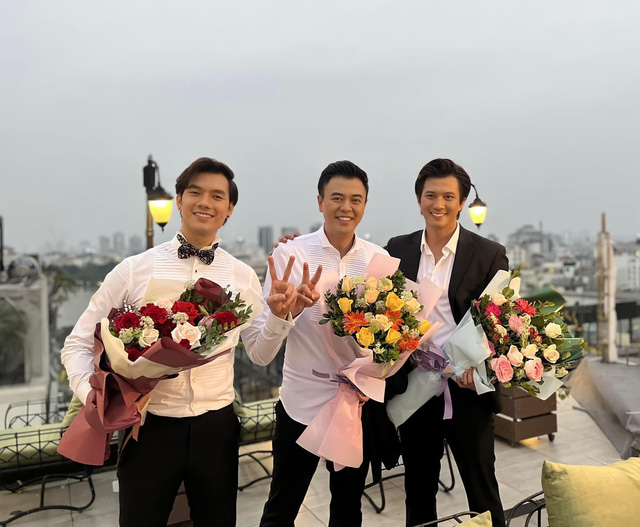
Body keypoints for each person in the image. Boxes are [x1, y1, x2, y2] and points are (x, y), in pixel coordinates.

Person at [61, 157, 308, 527]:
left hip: (218, 427)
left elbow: (259, 354)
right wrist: (97, 397)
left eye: (217, 196)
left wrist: (278, 317)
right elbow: (78, 344)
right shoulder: (134, 269)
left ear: (229, 209)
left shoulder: (242, 275)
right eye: (195, 192)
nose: (205, 202)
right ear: (179, 200)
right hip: (149, 426)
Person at [256, 160, 388, 527]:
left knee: (348, 508)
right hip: (301, 402)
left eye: (356, 199)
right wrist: (284, 312)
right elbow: (263, 350)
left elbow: (390, 333)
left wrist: (377, 372)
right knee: (282, 505)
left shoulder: (378, 259)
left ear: (365, 204)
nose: (346, 207)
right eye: (337, 198)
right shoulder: (290, 255)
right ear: (320, 202)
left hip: (354, 405)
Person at [385, 158, 507, 527]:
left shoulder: (488, 253)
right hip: (415, 386)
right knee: (419, 487)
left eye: (448, 197)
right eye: (430, 196)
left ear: (462, 202)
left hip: (466, 388)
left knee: (481, 487)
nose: (438, 204)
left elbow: (498, 323)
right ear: (419, 200)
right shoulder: (398, 249)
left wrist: (481, 369)